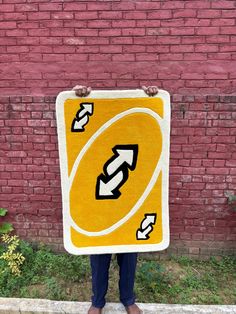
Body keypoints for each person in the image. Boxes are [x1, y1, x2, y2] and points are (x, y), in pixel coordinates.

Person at [72, 85, 159, 314]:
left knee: (129, 256)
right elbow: (76, 140)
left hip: (128, 202)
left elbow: (149, 130)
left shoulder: (134, 134)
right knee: (99, 258)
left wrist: (148, 99)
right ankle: (97, 301)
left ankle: (128, 298)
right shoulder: (95, 139)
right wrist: (78, 98)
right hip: (100, 205)